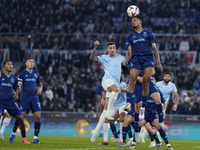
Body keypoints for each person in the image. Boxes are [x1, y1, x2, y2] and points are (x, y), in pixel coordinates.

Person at [125, 15, 163, 121]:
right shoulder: (130, 36)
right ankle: (128, 103)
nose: (133, 22)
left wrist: (158, 63)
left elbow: (154, 48)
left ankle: (142, 108)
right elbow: (129, 51)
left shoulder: (148, 33)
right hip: (136, 59)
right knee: (132, 77)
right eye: (132, 21)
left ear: (140, 22)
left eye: (135, 20)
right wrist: (128, 58)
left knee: (146, 81)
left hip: (147, 58)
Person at [90, 40, 125, 142]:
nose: (112, 49)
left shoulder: (120, 58)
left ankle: (95, 131)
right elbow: (92, 58)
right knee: (115, 89)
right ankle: (108, 115)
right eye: (110, 48)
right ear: (107, 50)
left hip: (115, 86)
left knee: (106, 111)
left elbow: (127, 62)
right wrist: (95, 48)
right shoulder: (104, 58)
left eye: (114, 47)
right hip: (107, 81)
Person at [9, 58, 43, 144]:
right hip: (25, 97)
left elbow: (40, 83)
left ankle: (35, 138)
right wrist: (18, 87)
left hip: (34, 97)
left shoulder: (36, 73)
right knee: (21, 117)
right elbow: (19, 83)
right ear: (26, 63)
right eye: (30, 62)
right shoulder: (22, 73)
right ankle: (13, 133)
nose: (32, 63)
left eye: (33, 62)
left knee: (38, 117)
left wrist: (40, 88)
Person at [0, 60, 30, 144]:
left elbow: (16, 88)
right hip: (1, 102)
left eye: (11, 64)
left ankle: (24, 138)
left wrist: (16, 94)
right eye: (8, 64)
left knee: (20, 118)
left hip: (10, 102)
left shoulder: (14, 78)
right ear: (4, 67)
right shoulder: (1, 75)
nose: (11, 66)